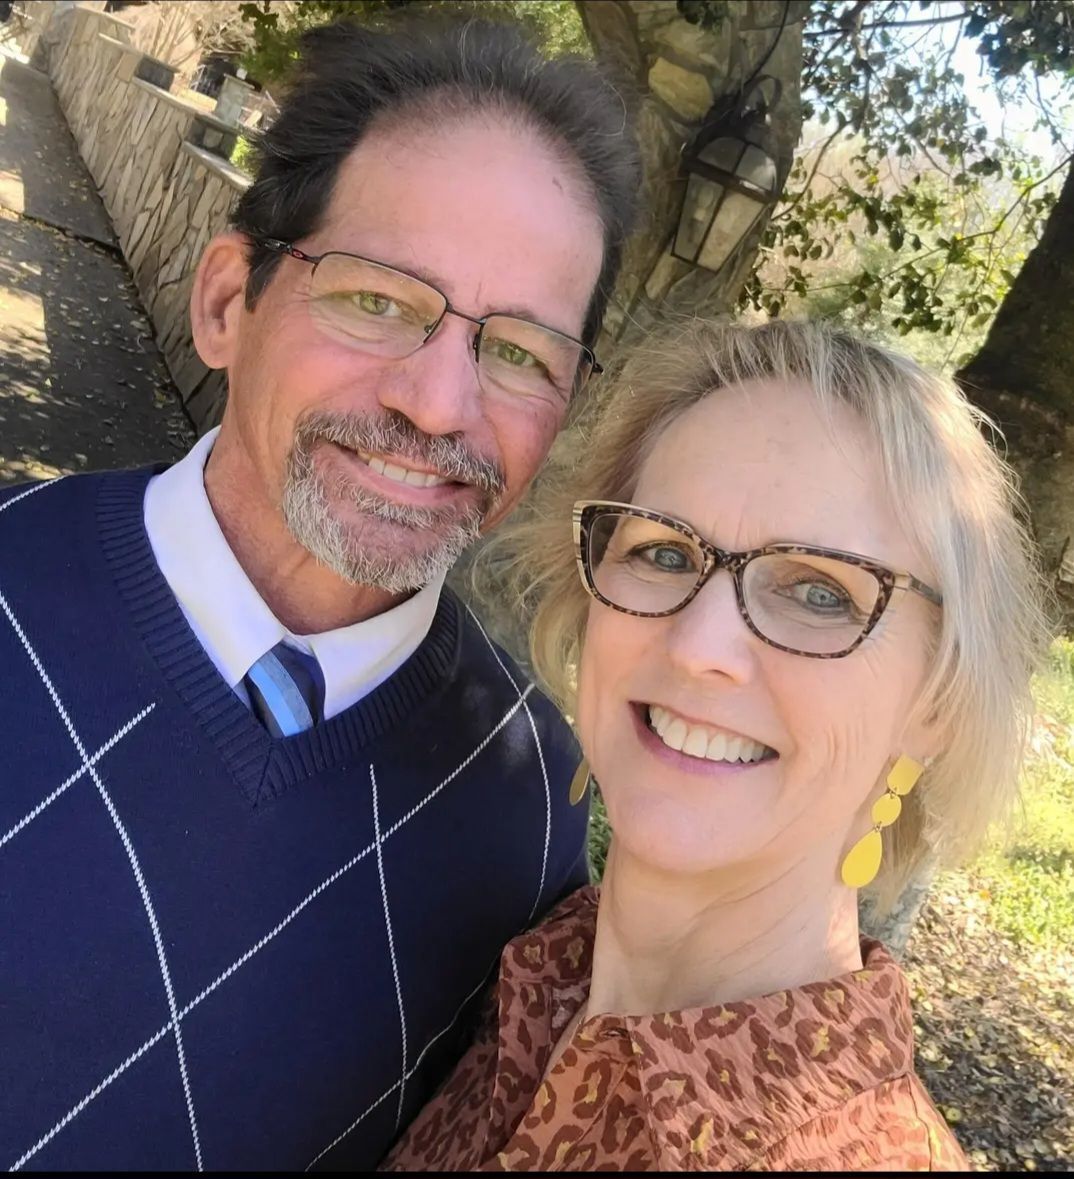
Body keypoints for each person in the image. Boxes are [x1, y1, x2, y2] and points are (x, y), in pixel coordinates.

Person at [0, 17, 641, 1171]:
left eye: (520, 355)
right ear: (226, 302)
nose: (442, 404)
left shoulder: (532, 810)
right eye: (379, 301)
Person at [382, 318, 1051, 1172]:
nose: (701, 643)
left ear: (936, 704)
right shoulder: (530, 976)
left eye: (819, 592)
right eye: (662, 550)